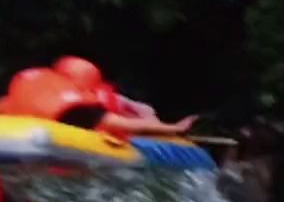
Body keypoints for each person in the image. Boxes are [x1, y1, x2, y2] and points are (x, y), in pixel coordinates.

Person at [0, 58, 191, 140]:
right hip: (42, 144)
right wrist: (175, 128)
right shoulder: (79, 108)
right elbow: (124, 125)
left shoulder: (36, 82)